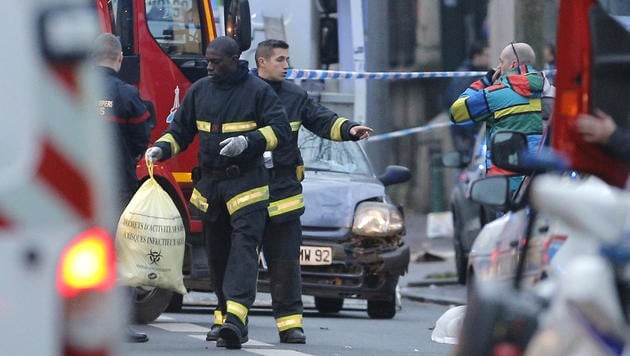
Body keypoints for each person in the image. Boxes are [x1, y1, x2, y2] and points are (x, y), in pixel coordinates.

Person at [210, 39, 372, 346]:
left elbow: (321, 119)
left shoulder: (295, 96)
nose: (288, 65)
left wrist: (349, 129)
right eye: (281, 59)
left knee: (285, 262)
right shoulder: (241, 93)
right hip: (244, 191)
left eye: (288, 59)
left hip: (282, 191)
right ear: (261, 62)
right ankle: (227, 319)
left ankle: (289, 325)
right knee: (238, 260)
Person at [145, 36, 291, 350]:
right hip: (211, 187)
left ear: (234, 59)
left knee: (242, 252)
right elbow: (180, 130)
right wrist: (161, 148)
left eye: (215, 62)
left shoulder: (257, 91)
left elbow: (279, 130)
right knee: (218, 257)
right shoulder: (200, 90)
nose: (208, 66)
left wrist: (247, 142)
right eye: (207, 60)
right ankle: (225, 314)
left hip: (247, 186)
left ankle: (236, 322)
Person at [93, 33, 152, 343]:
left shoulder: (74, 88)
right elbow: (142, 136)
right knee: (119, 254)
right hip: (116, 186)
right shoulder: (126, 93)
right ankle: (118, 322)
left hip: (78, 191)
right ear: (118, 59)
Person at [449, 42, 545, 191]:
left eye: (501, 62)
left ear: (513, 64)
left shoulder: (493, 95)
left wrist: (485, 81)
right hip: (543, 182)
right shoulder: (550, 92)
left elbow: (456, 112)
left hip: (506, 186)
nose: (499, 66)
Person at [443, 42, 491, 161]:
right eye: (486, 55)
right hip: (468, 140)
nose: (488, 59)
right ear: (477, 56)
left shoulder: (474, 75)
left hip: (471, 138)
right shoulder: (466, 77)